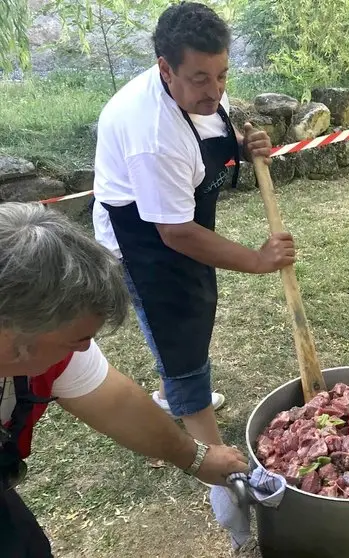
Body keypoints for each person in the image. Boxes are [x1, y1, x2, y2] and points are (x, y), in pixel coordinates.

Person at [92, 1, 295, 448]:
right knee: (178, 330)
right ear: (166, 68)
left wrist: (244, 144)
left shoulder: (199, 91)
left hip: (178, 221)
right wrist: (257, 260)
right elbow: (175, 233)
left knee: (195, 310)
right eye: (200, 78)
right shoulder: (152, 134)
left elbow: (205, 137)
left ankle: (172, 397)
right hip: (140, 240)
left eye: (222, 74)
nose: (215, 90)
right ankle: (208, 453)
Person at [0, 203, 251, 556]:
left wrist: (197, 458)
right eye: (78, 339)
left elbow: (117, 404)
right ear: (16, 337)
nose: (86, 348)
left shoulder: (49, 348)